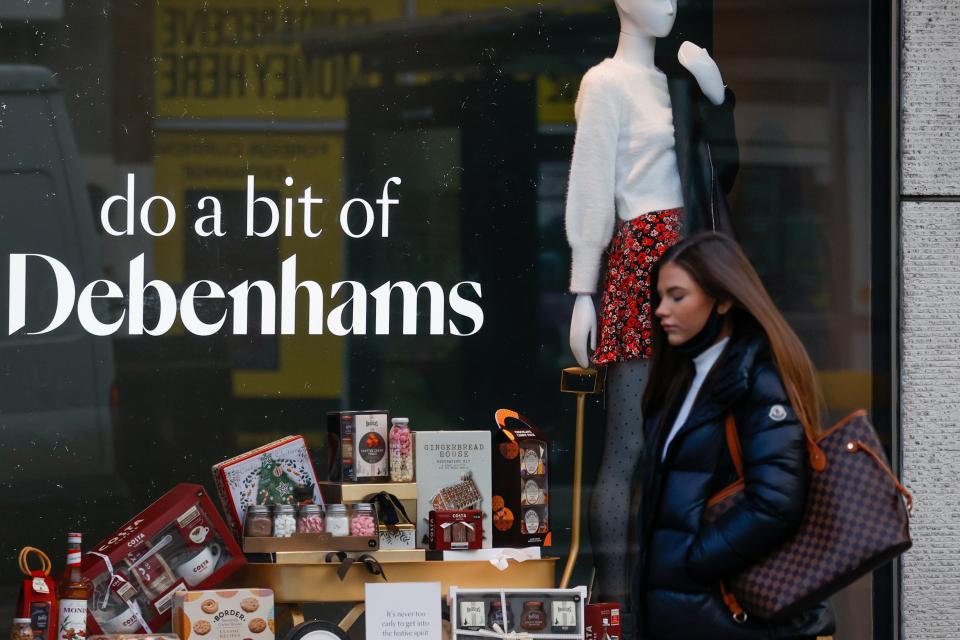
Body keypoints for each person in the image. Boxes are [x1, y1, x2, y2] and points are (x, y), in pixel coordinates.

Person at [631, 232, 835, 640]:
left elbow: (776, 501)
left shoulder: (757, 380)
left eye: (677, 296)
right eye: (659, 297)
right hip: (687, 614)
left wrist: (693, 563)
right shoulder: (684, 379)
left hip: (727, 616)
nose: (659, 311)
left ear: (722, 300)